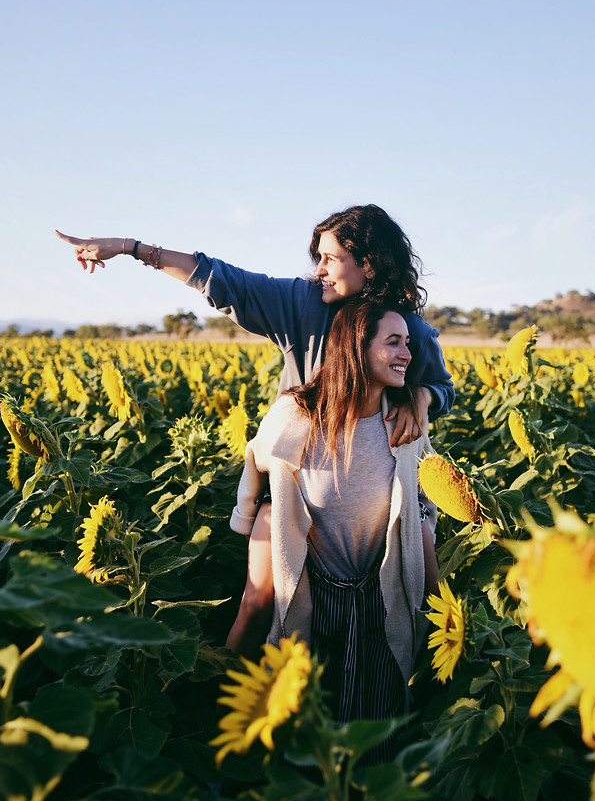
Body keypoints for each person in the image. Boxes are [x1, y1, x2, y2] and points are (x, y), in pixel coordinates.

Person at [56, 205, 452, 655]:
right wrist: (130, 248)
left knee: (393, 604)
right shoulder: (303, 304)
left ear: (370, 263)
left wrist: (423, 397)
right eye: (318, 258)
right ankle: (223, 685)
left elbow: (443, 387)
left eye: (331, 258)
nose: (319, 270)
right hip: (298, 485)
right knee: (264, 602)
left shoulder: (408, 330)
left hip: (372, 493)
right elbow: (222, 279)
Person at [229, 298, 438, 732]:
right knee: (301, 724)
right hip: (313, 592)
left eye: (408, 343)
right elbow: (257, 458)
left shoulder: (404, 423)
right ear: (357, 347)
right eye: (393, 342)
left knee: (377, 734)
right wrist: (252, 518)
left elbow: (426, 492)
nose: (407, 353)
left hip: (379, 598)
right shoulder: (298, 415)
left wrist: (425, 536)